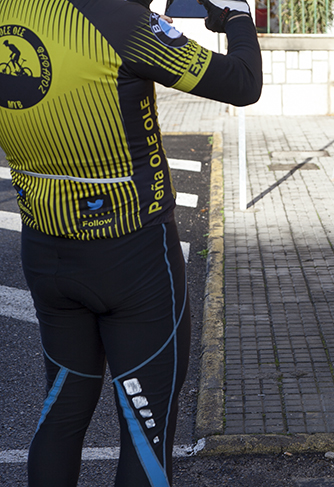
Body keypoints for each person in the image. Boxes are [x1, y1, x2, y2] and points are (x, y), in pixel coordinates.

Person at [0, 0, 261, 485]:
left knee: (61, 413)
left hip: (45, 248)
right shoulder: (120, 22)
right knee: (145, 433)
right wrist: (235, 16)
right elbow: (243, 82)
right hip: (133, 255)